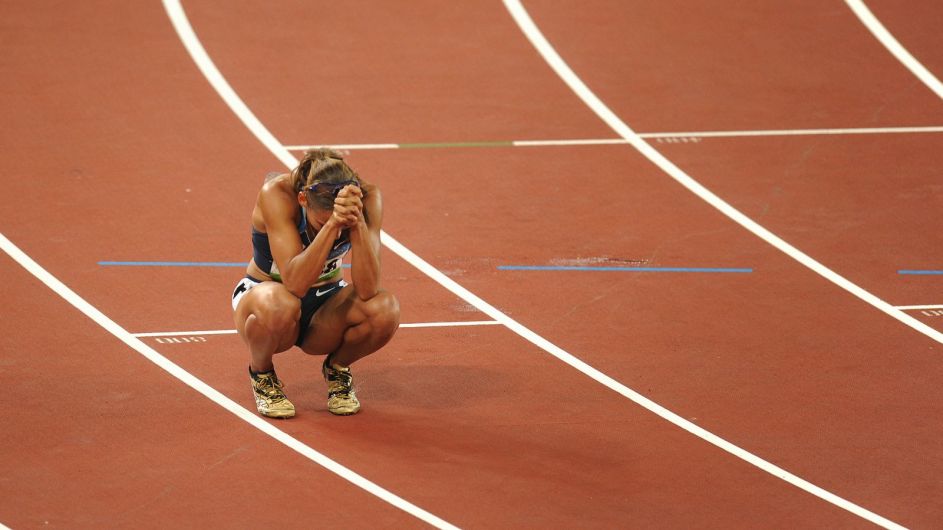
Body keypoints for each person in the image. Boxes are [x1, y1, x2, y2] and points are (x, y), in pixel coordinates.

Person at [230, 148, 400, 418]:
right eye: (321, 222)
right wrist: (333, 224)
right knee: (280, 302)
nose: (338, 234)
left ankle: (337, 369)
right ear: (303, 200)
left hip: (326, 303)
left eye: (341, 228)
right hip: (266, 300)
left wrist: (356, 223)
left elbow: (368, 289)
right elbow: (294, 285)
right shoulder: (277, 195)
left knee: (385, 309)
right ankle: (262, 375)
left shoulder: (366, 198)